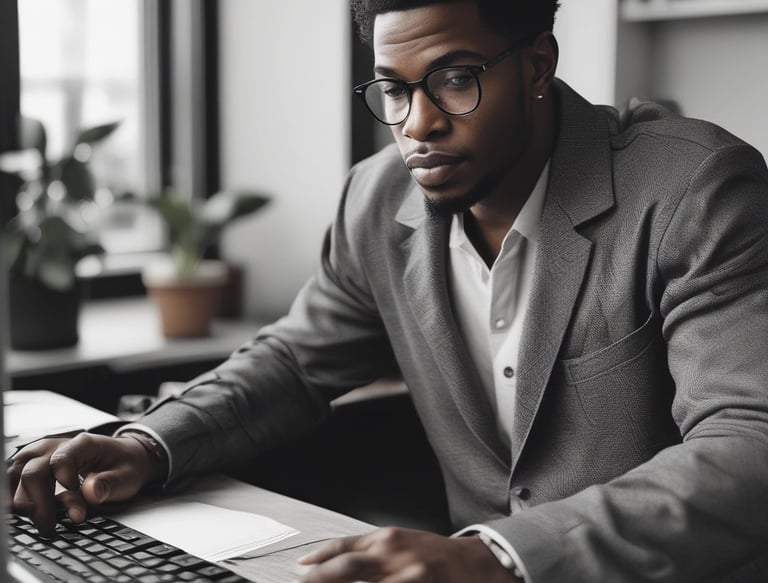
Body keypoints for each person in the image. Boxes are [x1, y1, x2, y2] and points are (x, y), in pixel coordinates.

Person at [8, 0, 768, 581]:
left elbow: (749, 444)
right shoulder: (374, 200)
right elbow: (296, 361)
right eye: (393, 90)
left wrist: (499, 557)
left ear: (538, 66)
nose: (417, 125)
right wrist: (144, 444)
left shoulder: (692, 190)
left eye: (455, 80)